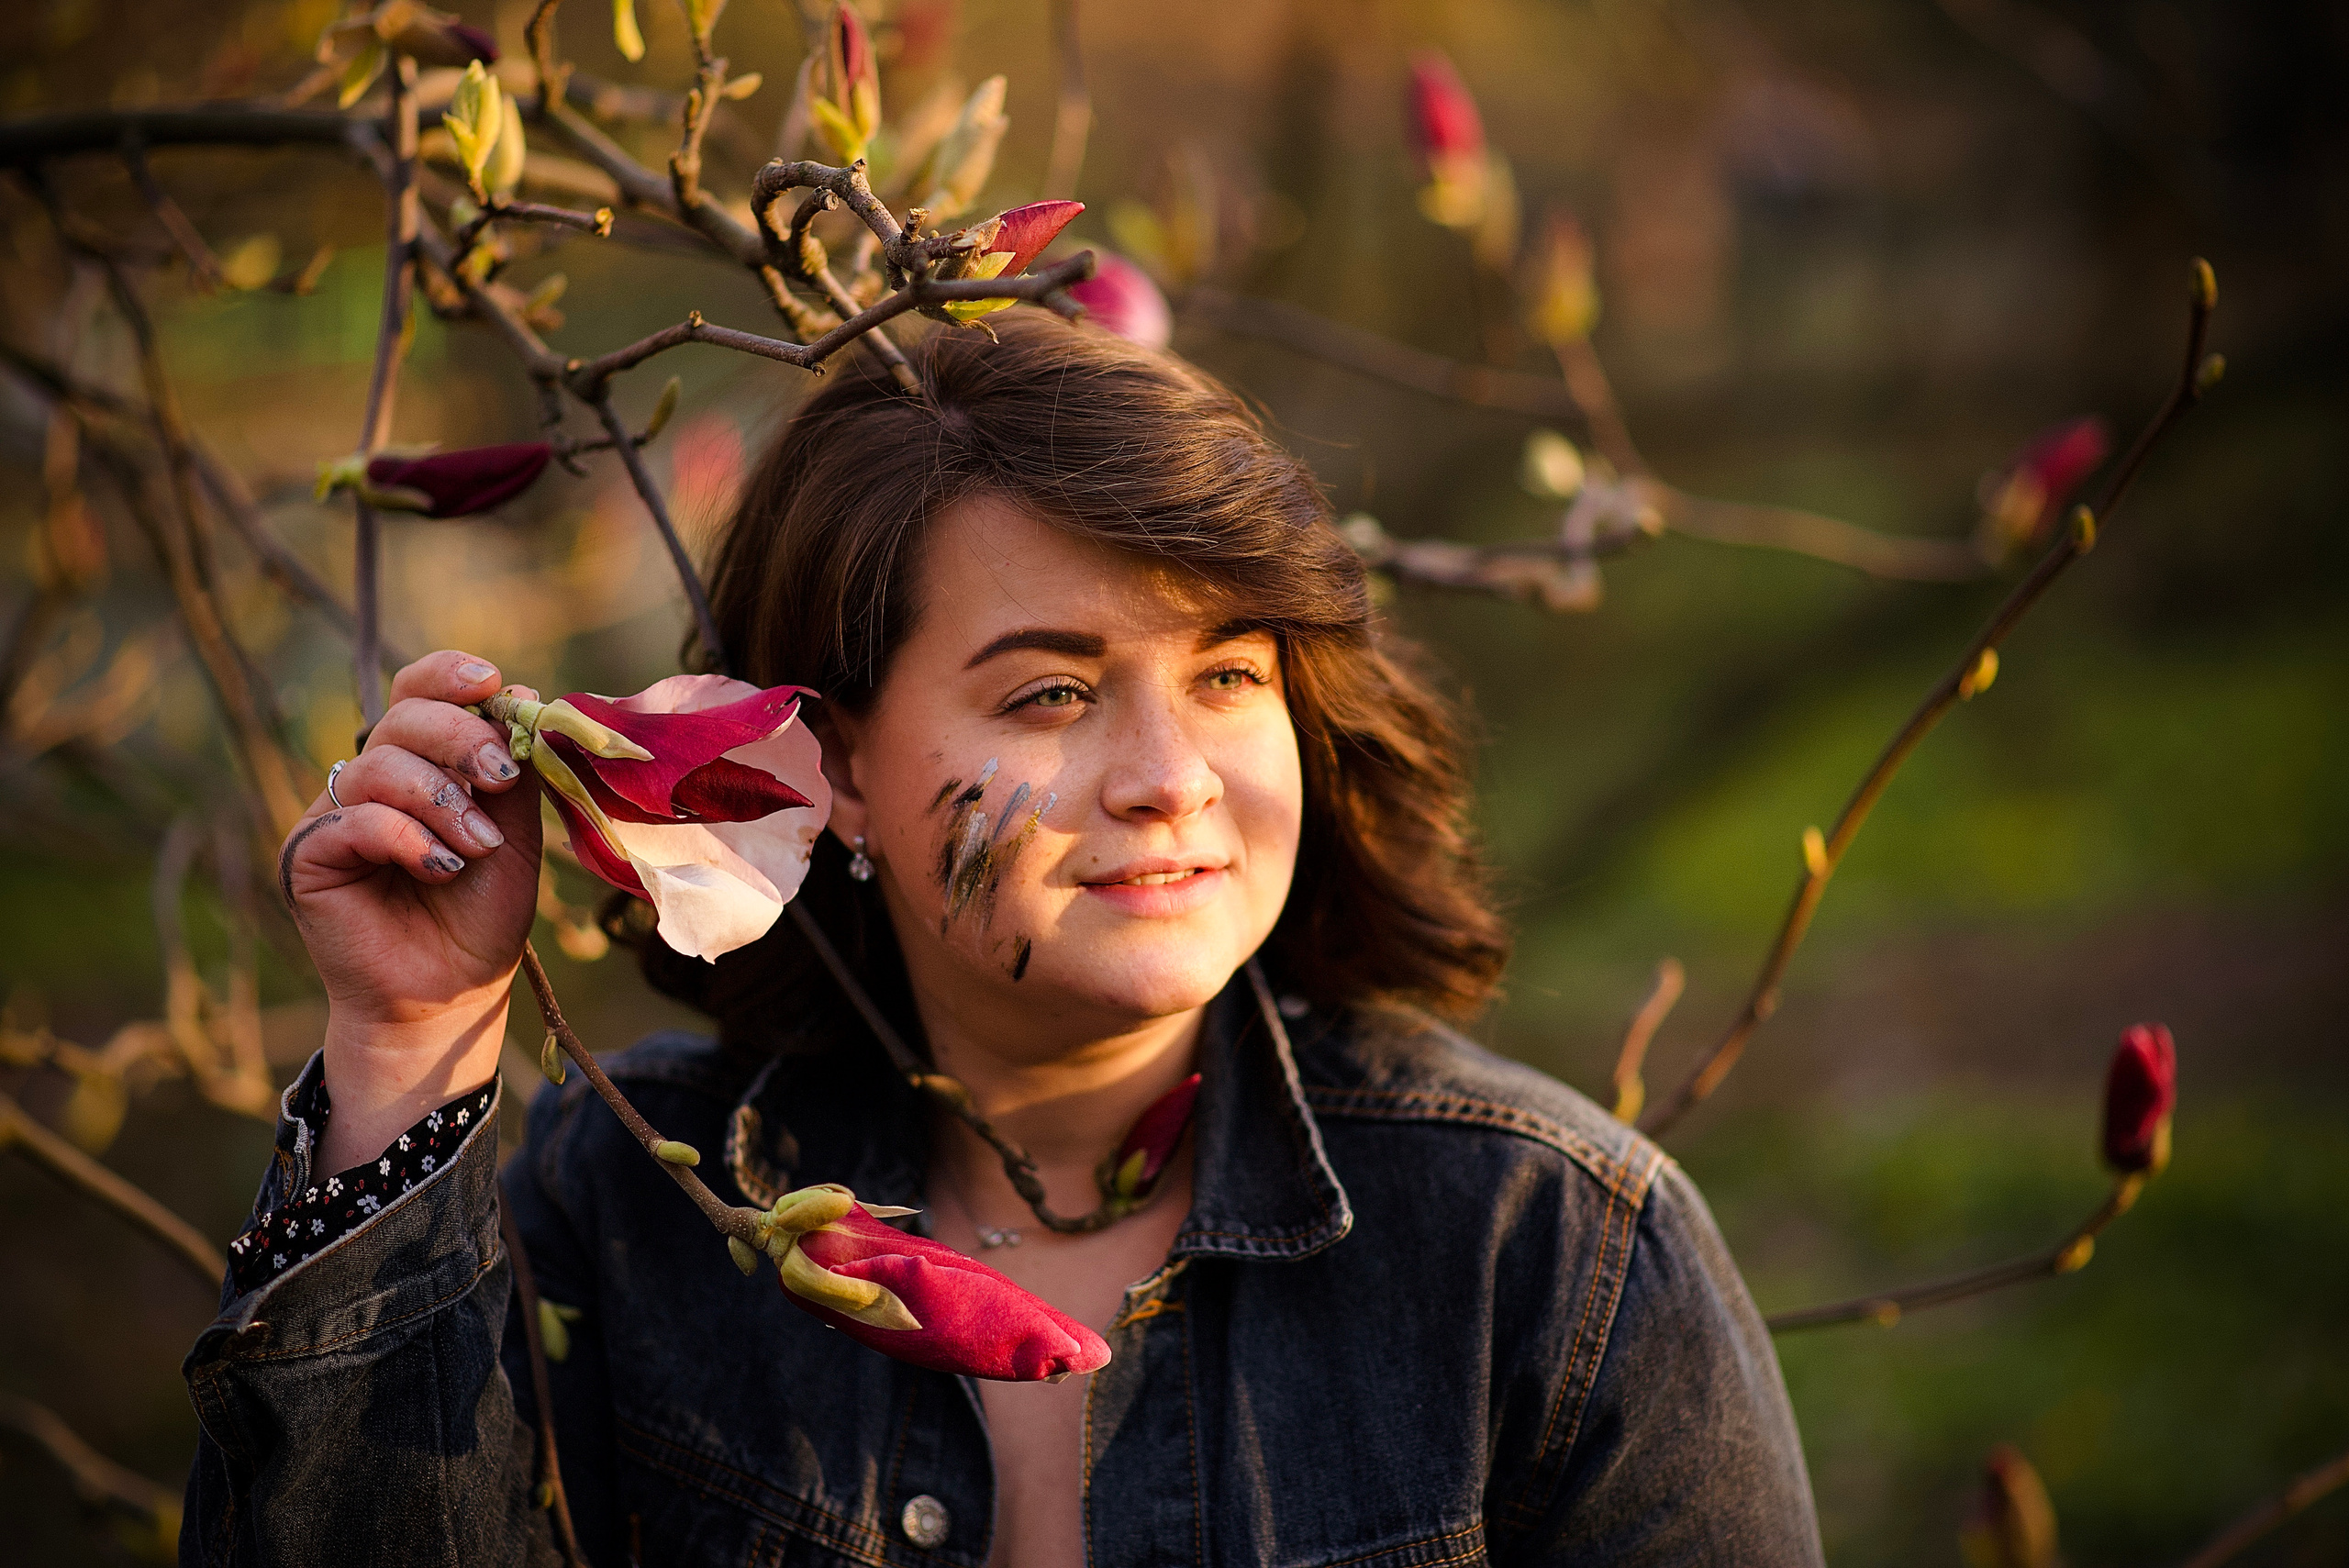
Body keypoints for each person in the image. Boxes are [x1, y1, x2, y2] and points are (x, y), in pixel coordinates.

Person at [184, 312, 1824, 1566]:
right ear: (830, 767)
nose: (1170, 776)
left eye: (1229, 675)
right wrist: (405, 1047)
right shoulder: (627, 1207)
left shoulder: (1556, 1253)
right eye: (1050, 693)